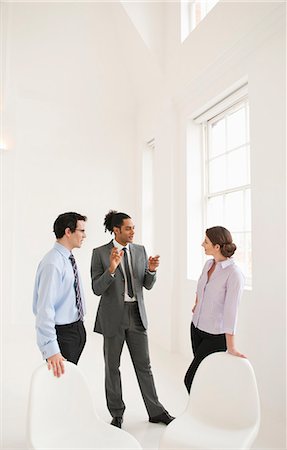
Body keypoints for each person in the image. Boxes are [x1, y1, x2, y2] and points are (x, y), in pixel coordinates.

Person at [91, 210, 174, 428]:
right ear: (116, 230)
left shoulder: (140, 251)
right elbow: (96, 289)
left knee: (144, 366)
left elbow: (146, 284)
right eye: (128, 228)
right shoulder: (99, 253)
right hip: (113, 318)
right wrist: (111, 269)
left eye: (133, 228)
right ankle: (117, 413)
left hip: (137, 315)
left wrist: (152, 271)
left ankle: (156, 411)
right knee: (112, 367)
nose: (132, 232)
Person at [184, 226, 246, 393]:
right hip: (196, 328)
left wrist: (230, 345)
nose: (202, 244)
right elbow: (201, 287)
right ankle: (202, 413)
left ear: (217, 246)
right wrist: (198, 303)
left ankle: (203, 413)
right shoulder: (208, 264)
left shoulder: (234, 274)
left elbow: (231, 310)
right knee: (202, 378)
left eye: (206, 242)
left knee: (190, 379)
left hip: (215, 336)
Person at [33, 212, 87, 378]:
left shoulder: (67, 258)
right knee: (59, 383)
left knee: (68, 383)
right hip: (63, 335)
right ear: (68, 232)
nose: (84, 235)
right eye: (81, 231)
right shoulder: (53, 263)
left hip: (75, 328)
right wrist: (51, 349)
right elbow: (44, 309)